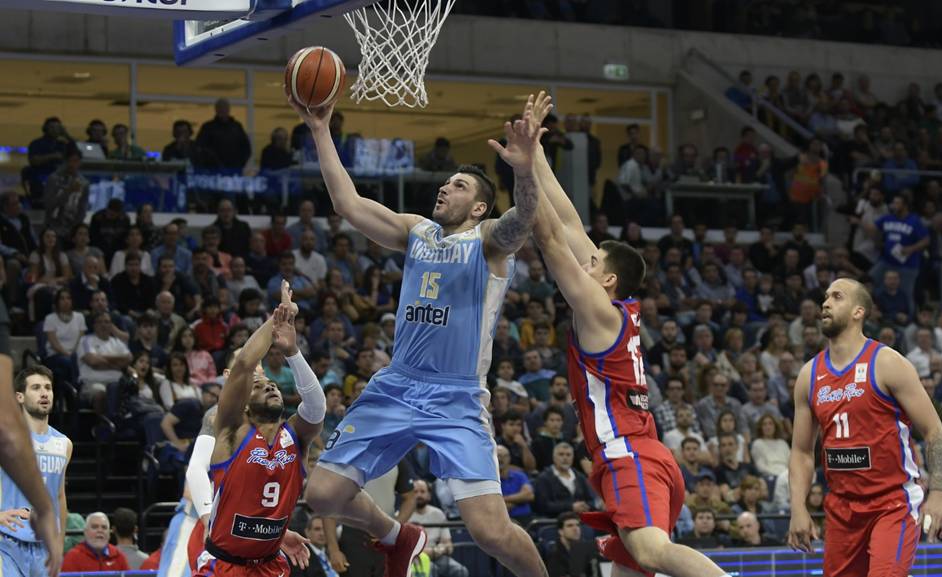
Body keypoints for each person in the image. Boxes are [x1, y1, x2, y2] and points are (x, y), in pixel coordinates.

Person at [291, 92, 548, 577]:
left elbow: (522, 220)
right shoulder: (417, 231)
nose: (445, 188)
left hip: (456, 397)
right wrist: (320, 128)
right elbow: (347, 203)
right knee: (321, 494)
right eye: (446, 182)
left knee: (490, 533)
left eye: (458, 186)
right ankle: (396, 535)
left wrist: (525, 168)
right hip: (397, 385)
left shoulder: (489, 243)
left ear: (478, 208)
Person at [525, 92, 728, 577]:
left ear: (607, 280)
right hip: (649, 453)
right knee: (630, 567)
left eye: (592, 262)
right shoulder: (620, 308)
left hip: (628, 454)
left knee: (653, 555)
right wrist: (535, 151)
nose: (584, 261)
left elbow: (552, 238)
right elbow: (572, 221)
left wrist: (520, 171)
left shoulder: (595, 309)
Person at [788, 278, 942, 576]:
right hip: (841, 507)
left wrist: (938, 494)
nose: (825, 303)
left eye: (837, 297)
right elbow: (801, 452)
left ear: (858, 311)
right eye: (825, 297)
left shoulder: (887, 362)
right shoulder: (809, 375)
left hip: (892, 502)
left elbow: (934, 431)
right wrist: (797, 507)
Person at [191, 281, 319, 577]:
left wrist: (275, 532)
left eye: (270, 382)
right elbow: (245, 364)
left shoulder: (291, 434)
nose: (268, 384)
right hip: (222, 558)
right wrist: (279, 318)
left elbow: (315, 406)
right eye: (258, 384)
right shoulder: (228, 425)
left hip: (269, 562)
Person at [0, 367, 70, 577]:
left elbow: (59, 496)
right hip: (7, 542)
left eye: (48, 388)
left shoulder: (64, 444)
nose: (44, 393)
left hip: (44, 546)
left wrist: (60, 540)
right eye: (36, 388)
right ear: (19, 397)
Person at [409, 480, 467, 577]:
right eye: (415, 492)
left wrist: (440, 549)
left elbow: (449, 545)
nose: (419, 495)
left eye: (422, 492)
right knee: (431, 570)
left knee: (460, 571)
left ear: (429, 495)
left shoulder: (438, 514)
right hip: (414, 558)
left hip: (438, 555)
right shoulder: (404, 515)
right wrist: (429, 552)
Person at [61, 512, 129, 572]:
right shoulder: (72, 557)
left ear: (109, 533)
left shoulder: (119, 557)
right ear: (85, 532)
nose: (100, 530)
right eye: (94, 527)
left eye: (104, 527)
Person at [544, 512, 598, 577]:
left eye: (578, 525)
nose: (575, 529)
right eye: (570, 526)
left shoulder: (586, 549)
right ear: (560, 531)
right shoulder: (553, 552)